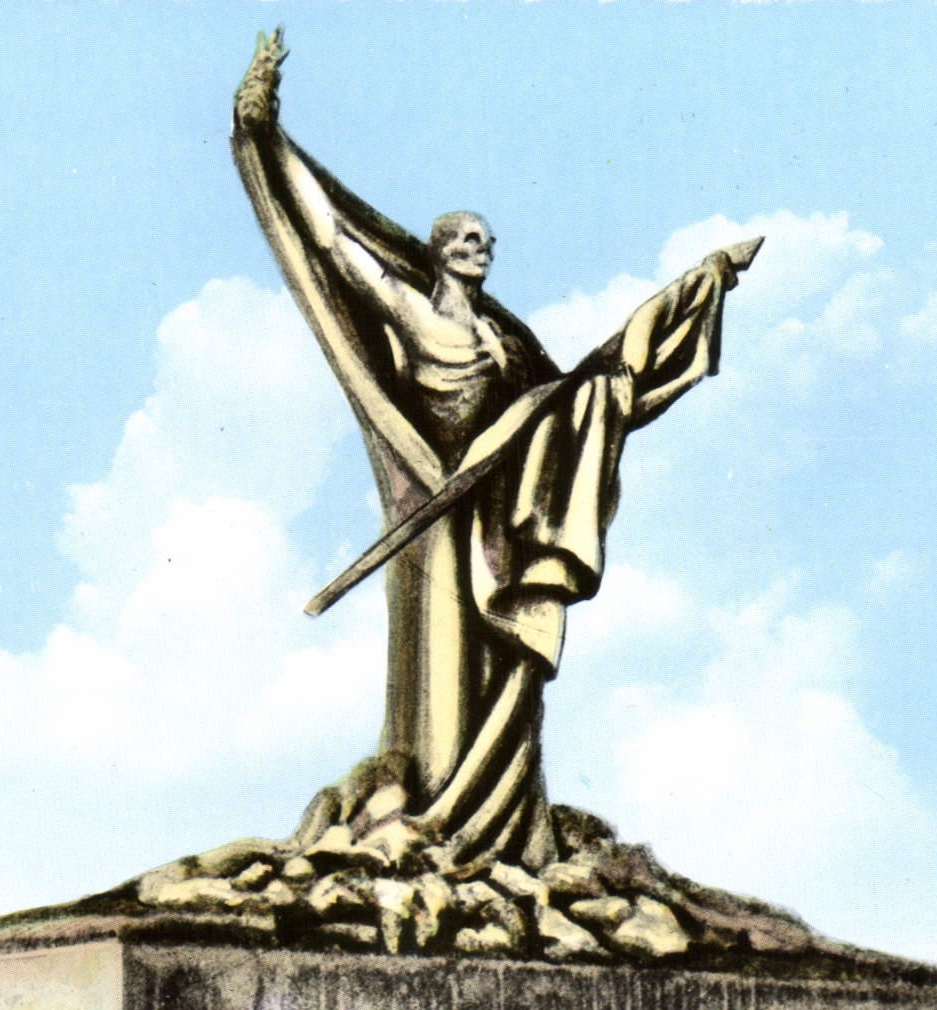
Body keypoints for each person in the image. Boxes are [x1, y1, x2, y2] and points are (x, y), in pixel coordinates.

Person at [231, 30, 752, 875]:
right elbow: (329, 240)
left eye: (486, 241)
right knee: (442, 664)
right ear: (439, 251)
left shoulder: (505, 343)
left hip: (492, 508)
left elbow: (567, 402)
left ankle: (493, 813)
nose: (482, 250)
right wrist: (267, 136)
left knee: (502, 655)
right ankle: (429, 804)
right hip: (429, 494)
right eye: (467, 241)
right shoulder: (411, 309)